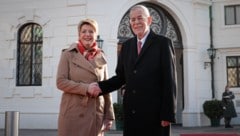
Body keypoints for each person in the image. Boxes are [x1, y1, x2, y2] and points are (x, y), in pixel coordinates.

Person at [88, 5, 177, 136]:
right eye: (132, 19)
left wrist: (168, 114)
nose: (136, 22)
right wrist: (100, 87)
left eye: (139, 18)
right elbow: (120, 77)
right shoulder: (127, 46)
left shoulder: (163, 43)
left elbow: (169, 80)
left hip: (155, 115)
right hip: (132, 113)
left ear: (149, 20)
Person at [56, 18, 114, 136]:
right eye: (84, 31)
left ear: (96, 35)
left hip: (95, 112)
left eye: (91, 31)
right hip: (73, 113)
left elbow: (106, 87)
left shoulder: (100, 56)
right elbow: (60, 82)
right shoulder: (68, 54)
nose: (87, 34)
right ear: (79, 34)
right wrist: (86, 88)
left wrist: (109, 116)